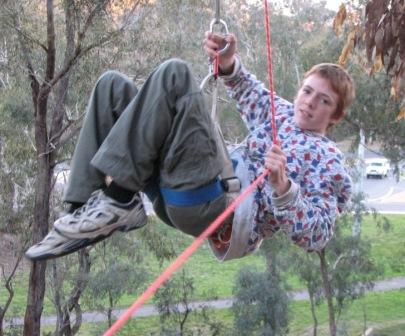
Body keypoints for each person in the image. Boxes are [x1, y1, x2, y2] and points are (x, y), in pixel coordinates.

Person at [25, 32, 355, 261]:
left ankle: (119, 200)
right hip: (183, 194)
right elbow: (242, 85)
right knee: (112, 86)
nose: (310, 102)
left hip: (218, 208)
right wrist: (226, 61)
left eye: (323, 100)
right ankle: (80, 211)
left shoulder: (329, 162)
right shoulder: (279, 114)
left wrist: (283, 187)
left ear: (335, 115)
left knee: (175, 75)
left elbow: (317, 235)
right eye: (308, 91)